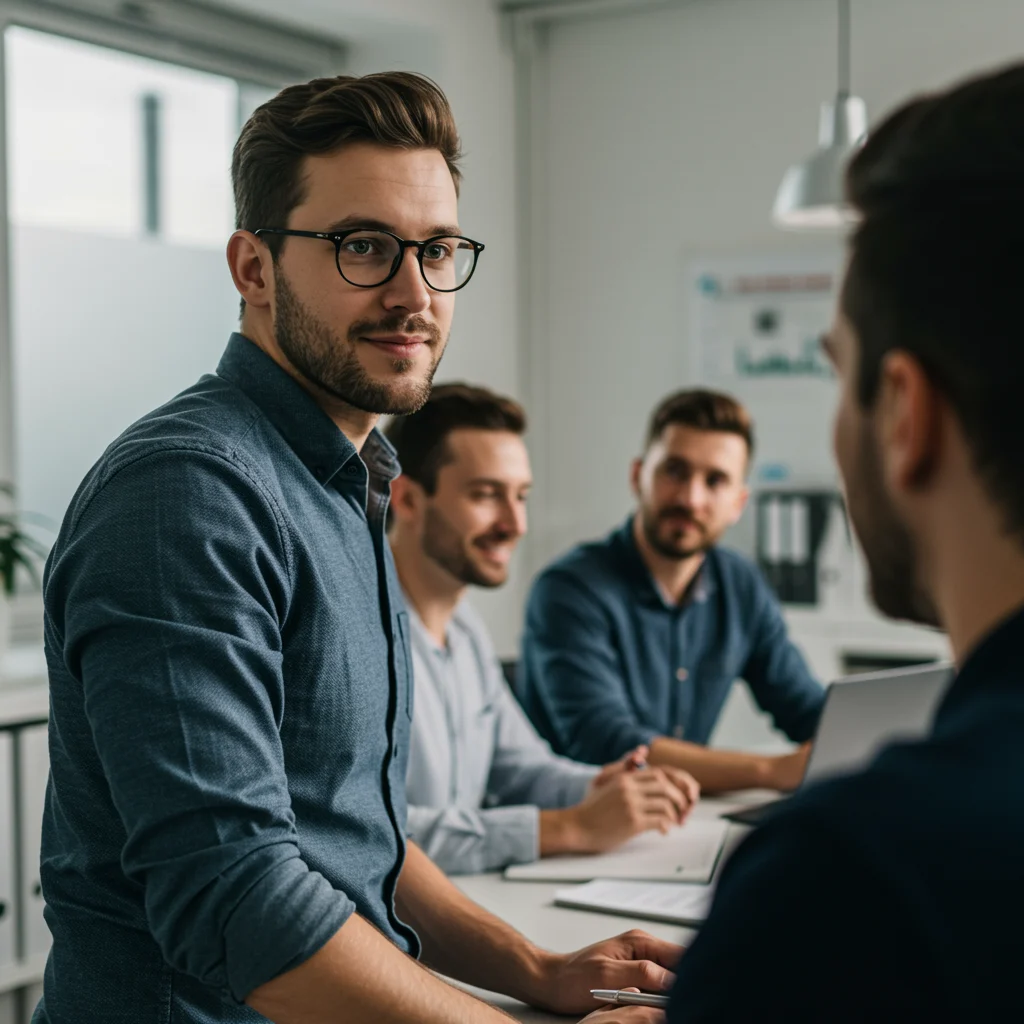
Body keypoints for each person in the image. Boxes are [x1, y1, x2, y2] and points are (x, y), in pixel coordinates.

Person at [35, 72, 680, 1024]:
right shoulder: (188, 493)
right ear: (254, 268)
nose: (413, 293)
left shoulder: (353, 481)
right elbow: (236, 898)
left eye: (439, 249)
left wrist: (534, 970)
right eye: (364, 247)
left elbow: (351, 830)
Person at [589, 62, 1024, 1024]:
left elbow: (800, 710)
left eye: (841, 377)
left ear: (903, 412)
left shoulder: (848, 879)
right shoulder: (581, 588)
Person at [385, 383, 701, 875]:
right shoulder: (352, 636)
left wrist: (603, 787)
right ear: (405, 498)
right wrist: (570, 829)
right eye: (486, 495)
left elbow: (520, 767)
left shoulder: (465, 631)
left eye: (521, 497)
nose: (515, 523)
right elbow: (370, 833)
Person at [520, 389, 826, 793]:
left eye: (715, 481)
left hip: (679, 824)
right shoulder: (568, 591)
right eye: (675, 471)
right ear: (637, 476)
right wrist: (770, 771)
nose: (690, 498)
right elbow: (607, 744)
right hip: (579, 832)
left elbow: (807, 711)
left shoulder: (741, 585)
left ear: (738, 503)